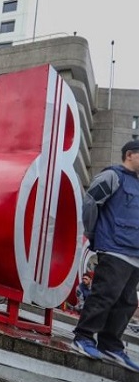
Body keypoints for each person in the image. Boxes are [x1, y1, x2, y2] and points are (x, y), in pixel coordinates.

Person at [71, 140, 139, 372]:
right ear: (130, 154)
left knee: (127, 302)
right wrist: (93, 235)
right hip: (114, 249)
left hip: (135, 254)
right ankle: (84, 336)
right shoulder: (112, 177)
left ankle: (111, 344)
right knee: (104, 295)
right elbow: (91, 203)